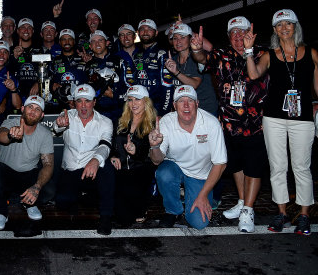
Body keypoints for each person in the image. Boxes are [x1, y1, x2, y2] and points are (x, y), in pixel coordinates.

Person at [245, 9, 318, 236]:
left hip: (302, 118)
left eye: (288, 23)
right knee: (278, 167)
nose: (284, 28)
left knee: (301, 167)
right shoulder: (270, 54)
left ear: (296, 26)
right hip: (274, 118)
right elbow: (254, 75)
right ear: (274, 30)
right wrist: (248, 51)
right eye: (279, 25)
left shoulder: (311, 52)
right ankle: (282, 212)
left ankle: (304, 215)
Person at [190, 16, 270, 232]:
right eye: (233, 32)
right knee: (235, 165)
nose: (237, 36)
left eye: (241, 32)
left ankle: (249, 210)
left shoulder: (263, 53)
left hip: (255, 123)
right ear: (228, 36)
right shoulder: (221, 55)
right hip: (229, 123)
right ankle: (243, 202)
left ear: (250, 34)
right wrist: (196, 49)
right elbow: (202, 58)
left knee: (253, 167)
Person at [150, 85, 227, 230]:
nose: (186, 105)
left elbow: (220, 164)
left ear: (197, 104)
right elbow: (156, 160)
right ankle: (173, 210)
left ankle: (192, 197)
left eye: (190, 101)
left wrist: (203, 195)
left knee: (199, 223)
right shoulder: (166, 122)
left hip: (201, 175)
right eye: (180, 101)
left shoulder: (211, 123)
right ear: (174, 105)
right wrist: (154, 146)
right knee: (164, 173)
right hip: (175, 168)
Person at [52, 83, 115, 235]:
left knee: (107, 169)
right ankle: (83, 197)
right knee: (63, 201)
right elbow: (56, 127)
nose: (83, 105)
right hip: (71, 170)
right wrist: (60, 125)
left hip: (91, 171)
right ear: (74, 103)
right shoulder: (67, 115)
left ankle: (106, 218)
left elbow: (105, 145)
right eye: (79, 101)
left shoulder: (105, 122)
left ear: (94, 102)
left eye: (87, 101)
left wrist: (95, 160)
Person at [0, 95, 54, 230]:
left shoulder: (45, 134)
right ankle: (1, 211)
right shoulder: (10, 123)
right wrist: (10, 135)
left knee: (50, 190)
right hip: (6, 175)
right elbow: (0, 137)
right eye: (30, 107)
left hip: (27, 176)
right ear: (23, 109)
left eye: (37, 109)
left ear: (41, 115)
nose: (32, 111)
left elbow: (48, 164)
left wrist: (36, 187)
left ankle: (28, 203)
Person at [110, 85, 157, 226]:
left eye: (138, 99)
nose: (133, 103)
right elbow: (111, 142)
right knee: (122, 217)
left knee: (130, 216)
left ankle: (141, 205)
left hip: (141, 170)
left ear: (146, 101)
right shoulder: (120, 121)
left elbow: (148, 155)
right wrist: (113, 155)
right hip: (121, 170)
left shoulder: (153, 123)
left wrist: (135, 151)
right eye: (130, 100)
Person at [164, 23, 218, 116]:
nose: (178, 41)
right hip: (186, 111)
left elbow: (194, 84)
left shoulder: (197, 57)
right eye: (175, 38)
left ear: (190, 40)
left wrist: (176, 72)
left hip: (205, 110)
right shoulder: (172, 60)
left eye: (182, 37)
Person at [131, 19, 174, 116]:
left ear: (156, 33)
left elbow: (168, 87)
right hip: (139, 108)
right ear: (138, 33)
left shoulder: (162, 53)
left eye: (149, 29)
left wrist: (163, 112)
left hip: (157, 108)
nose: (145, 32)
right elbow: (134, 81)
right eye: (142, 29)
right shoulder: (136, 54)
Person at [85, 30, 126, 122]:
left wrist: (114, 95)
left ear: (107, 43)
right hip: (96, 114)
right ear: (90, 46)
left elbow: (129, 87)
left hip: (119, 113)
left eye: (100, 40)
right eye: (93, 41)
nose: (97, 43)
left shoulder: (119, 61)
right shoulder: (87, 65)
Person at [48, 29, 88, 113]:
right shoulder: (54, 61)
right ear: (59, 42)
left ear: (74, 41)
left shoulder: (84, 59)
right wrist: (52, 85)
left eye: (70, 39)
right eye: (63, 39)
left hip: (82, 104)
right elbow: (47, 82)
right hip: (60, 106)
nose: (67, 42)